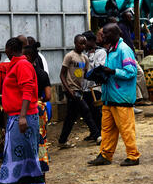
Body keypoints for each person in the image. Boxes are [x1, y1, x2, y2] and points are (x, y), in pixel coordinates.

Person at [0, 38, 51, 184]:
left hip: (22, 116)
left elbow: (28, 91)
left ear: (11, 49)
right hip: (17, 115)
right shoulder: (16, 65)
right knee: (28, 155)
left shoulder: (22, 65)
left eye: (6, 50)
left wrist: (23, 116)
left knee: (12, 156)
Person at [88, 23, 141, 167]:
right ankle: (105, 155)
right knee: (107, 129)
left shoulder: (124, 50)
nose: (103, 35)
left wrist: (112, 71)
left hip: (121, 97)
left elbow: (131, 72)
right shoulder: (111, 50)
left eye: (105, 33)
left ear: (114, 34)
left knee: (126, 129)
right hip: (109, 97)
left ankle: (133, 155)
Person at [58, 35, 101, 148]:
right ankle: (97, 135)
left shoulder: (84, 58)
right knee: (85, 110)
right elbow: (62, 74)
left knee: (71, 116)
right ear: (75, 43)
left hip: (79, 89)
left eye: (84, 44)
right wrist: (68, 89)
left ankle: (62, 140)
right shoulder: (69, 56)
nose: (83, 46)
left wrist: (97, 78)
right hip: (71, 89)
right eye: (80, 43)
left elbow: (86, 74)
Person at [23, 45, 51, 177]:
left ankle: (30, 174)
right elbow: (49, 96)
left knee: (27, 141)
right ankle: (42, 171)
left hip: (28, 109)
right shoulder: (42, 74)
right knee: (41, 140)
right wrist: (41, 99)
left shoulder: (24, 73)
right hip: (40, 108)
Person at [82, 31, 107, 133]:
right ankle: (94, 133)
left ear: (91, 41)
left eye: (85, 42)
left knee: (97, 111)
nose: (84, 45)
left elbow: (99, 68)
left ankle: (100, 132)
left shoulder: (101, 52)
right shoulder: (84, 54)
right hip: (85, 87)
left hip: (96, 87)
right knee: (89, 112)